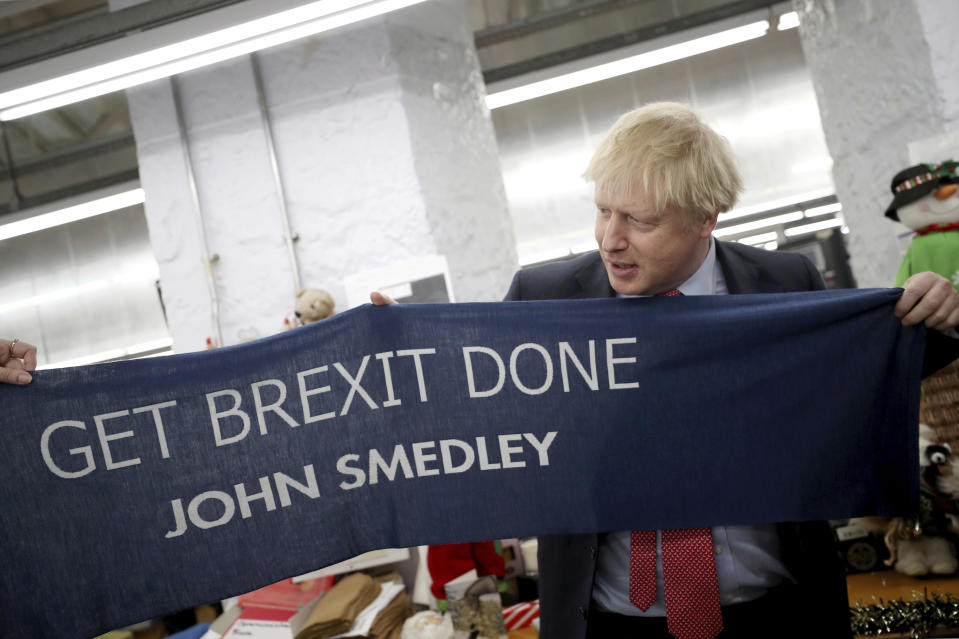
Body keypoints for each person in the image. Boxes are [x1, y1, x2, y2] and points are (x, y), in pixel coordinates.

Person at [498, 102, 959, 639]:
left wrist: (938, 315)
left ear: (706, 217)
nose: (609, 239)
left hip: (780, 615)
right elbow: (477, 408)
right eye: (604, 211)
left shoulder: (785, 282)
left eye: (639, 220)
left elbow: (863, 377)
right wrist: (394, 351)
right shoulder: (543, 298)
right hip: (610, 624)